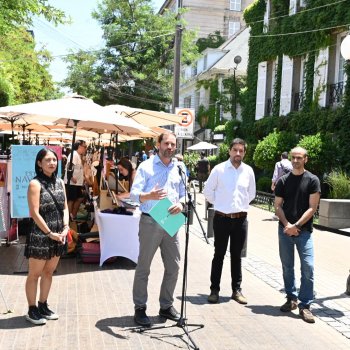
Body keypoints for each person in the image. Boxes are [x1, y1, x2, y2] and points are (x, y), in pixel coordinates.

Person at [130, 131, 186, 327]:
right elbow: (134, 194)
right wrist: (149, 195)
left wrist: (182, 204)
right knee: (144, 266)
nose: (170, 147)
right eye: (167, 144)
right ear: (158, 144)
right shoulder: (146, 166)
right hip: (151, 220)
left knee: (174, 266)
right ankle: (140, 308)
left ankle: (166, 305)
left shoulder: (179, 168)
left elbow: (184, 194)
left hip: (171, 219)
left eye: (173, 144)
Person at [203, 138, 256, 304]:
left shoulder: (248, 171)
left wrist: (239, 206)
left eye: (241, 150)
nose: (238, 153)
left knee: (236, 256)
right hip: (222, 218)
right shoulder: (219, 170)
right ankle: (214, 289)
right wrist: (220, 204)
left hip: (240, 219)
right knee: (218, 254)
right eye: (235, 150)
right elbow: (207, 192)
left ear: (244, 152)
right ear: (229, 151)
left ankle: (236, 290)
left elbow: (251, 193)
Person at [274, 146, 320, 324]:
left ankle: (305, 304)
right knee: (287, 267)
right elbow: (277, 205)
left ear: (305, 159)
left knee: (308, 267)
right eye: (293, 157)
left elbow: (312, 208)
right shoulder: (283, 181)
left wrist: (297, 225)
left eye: (299, 157)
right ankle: (291, 298)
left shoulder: (313, 180)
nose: (295, 160)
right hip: (285, 231)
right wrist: (287, 225)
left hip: (304, 232)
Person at [25, 148, 69, 325]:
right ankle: (32, 309)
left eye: (54, 160)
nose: (52, 163)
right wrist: (49, 233)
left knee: (49, 272)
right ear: (39, 163)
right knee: (34, 274)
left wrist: (66, 227)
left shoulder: (60, 182)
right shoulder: (35, 184)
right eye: (48, 160)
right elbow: (34, 213)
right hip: (41, 235)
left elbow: (65, 207)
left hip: (59, 234)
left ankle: (43, 305)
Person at [64, 140, 87, 221]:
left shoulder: (77, 155)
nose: (85, 149)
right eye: (84, 147)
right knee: (71, 200)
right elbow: (69, 166)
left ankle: (72, 216)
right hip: (72, 183)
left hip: (77, 183)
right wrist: (71, 177)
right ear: (79, 146)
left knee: (79, 198)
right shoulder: (74, 154)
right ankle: (69, 219)